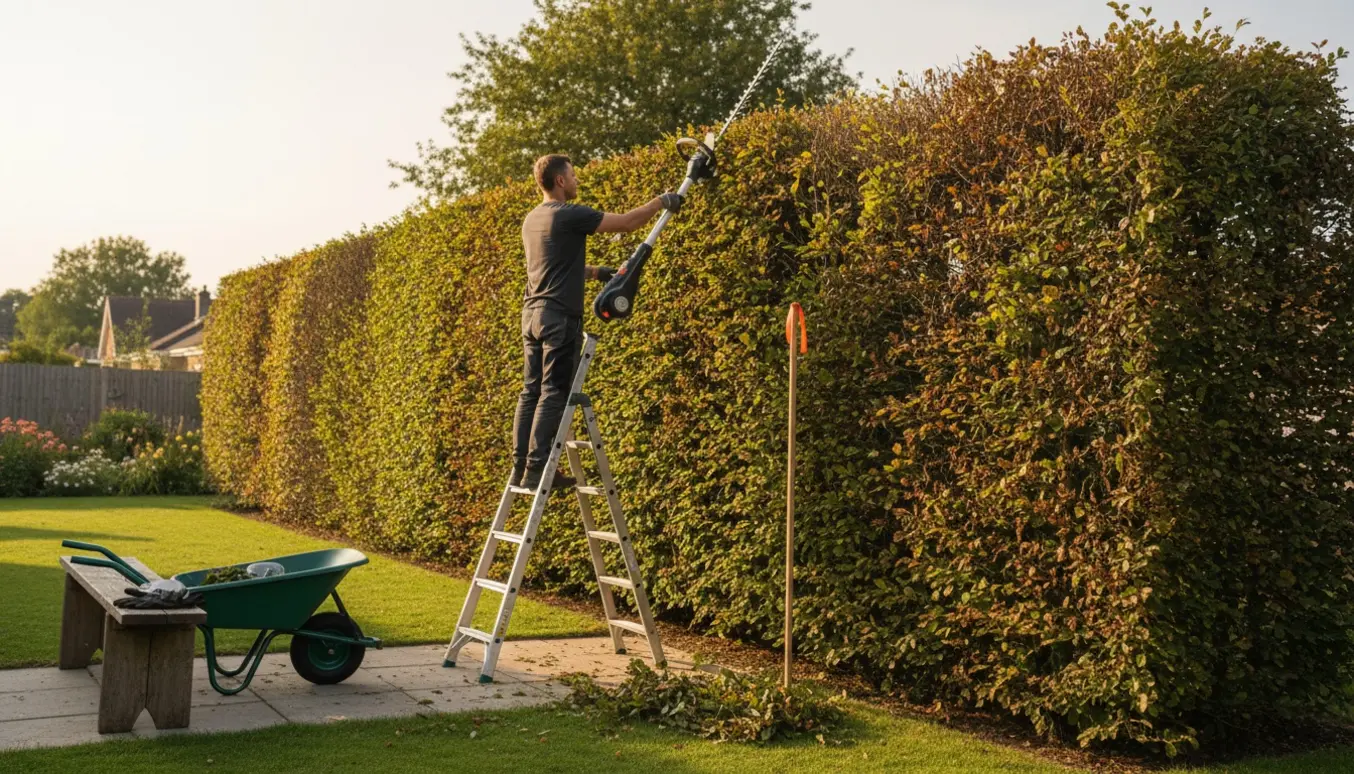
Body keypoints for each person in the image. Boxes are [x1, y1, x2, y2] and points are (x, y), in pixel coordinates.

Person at [514, 153, 681, 490]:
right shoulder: (570, 214)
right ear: (560, 181)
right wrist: (661, 201)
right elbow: (628, 223)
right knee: (552, 392)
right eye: (573, 176)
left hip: (532, 315)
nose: (576, 181)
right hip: (559, 317)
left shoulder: (532, 219)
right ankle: (536, 469)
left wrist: (597, 273)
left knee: (530, 392)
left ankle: (521, 467)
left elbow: (552, 264)